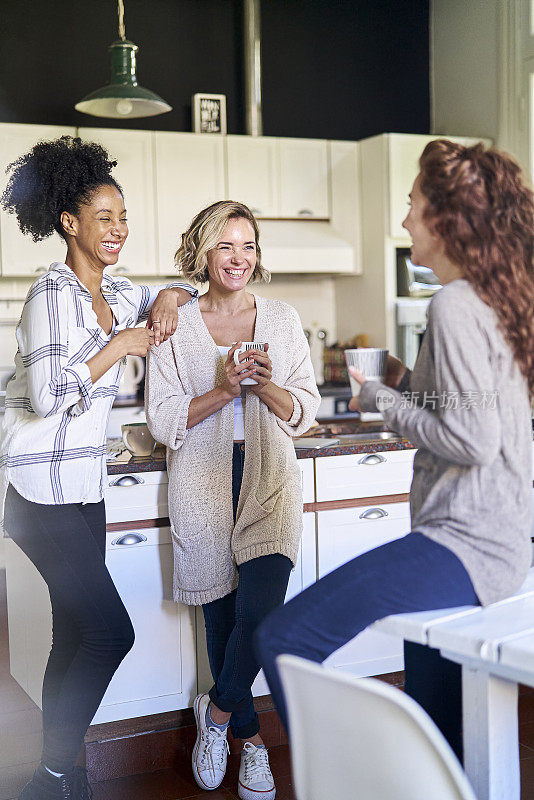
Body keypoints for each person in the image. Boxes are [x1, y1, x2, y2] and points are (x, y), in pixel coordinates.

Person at [255, 139, 534, 761]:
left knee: (283, 638)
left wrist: (380, 397)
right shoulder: (497, 298)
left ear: (444, 217)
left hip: (464, 545)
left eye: (412, 204)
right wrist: (406, 383)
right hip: (499, 542)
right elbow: (468, 411)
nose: (404, 219)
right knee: (439, 716)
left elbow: (471, 439)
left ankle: (347, 780)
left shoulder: (456, 304)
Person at [0, 136, 197, 800]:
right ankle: (55, 775)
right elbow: (50, 393)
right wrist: (120, 345)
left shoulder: (115, 287)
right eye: (104, 217)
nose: (118, 230)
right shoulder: (50, 294)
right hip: (37, 491)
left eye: (123, 217)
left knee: (73, 630)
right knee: (110, 631)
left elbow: (177, 293)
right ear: (69, 223)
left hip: (85, 484)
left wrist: (167, 298)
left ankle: (63, 777)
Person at [145, 200, 320, 800]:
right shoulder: (174, 324)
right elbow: (166, 420)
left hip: (269, 479)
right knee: (222, 627)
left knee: (263, 612)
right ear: (203, 250)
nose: (239, 259)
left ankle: (215, 716)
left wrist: (265, 385)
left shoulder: (282, 318)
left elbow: (304, 413)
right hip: (203, 484)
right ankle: (251, 746)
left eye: (248, 246)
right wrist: (224, 390)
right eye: (226, 246)